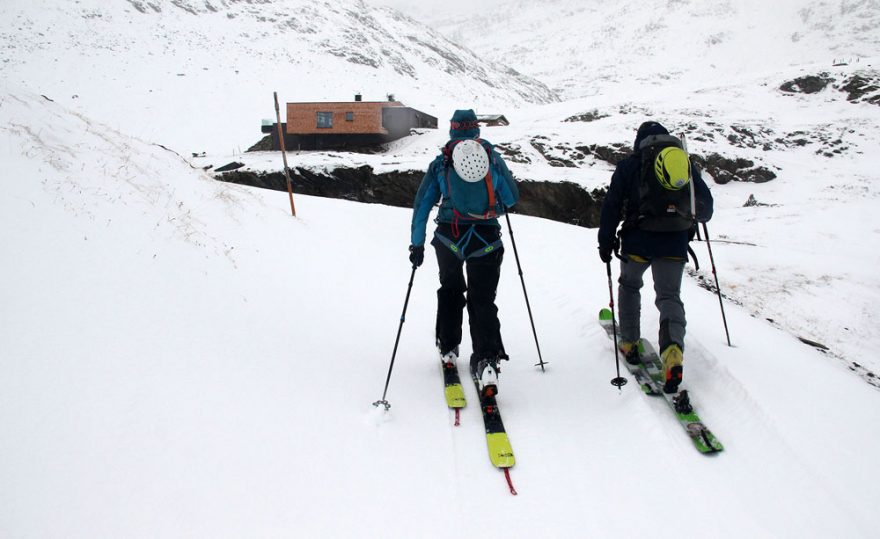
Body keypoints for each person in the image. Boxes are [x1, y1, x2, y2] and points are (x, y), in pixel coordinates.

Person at [409, 109, 519, 398]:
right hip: (486, 240)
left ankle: (447, 347)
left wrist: (417, 244)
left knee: (451, 289)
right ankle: (487, 361)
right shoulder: (492, 158)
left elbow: (422, 205)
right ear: (476, 130)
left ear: (453, 130)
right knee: (482, 299)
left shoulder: (442, 162)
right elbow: (511, 198)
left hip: (449, 239)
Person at [597, 121, 713, 394]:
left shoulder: (630, 165)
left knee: (629, 285)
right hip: (674, 242)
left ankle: (628, 342)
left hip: (638, 240)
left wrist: (605, 241)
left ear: (639, 142)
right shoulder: (682, 162)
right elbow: (705, 207)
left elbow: (612, 205)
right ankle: (672, 353)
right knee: (669, 296)